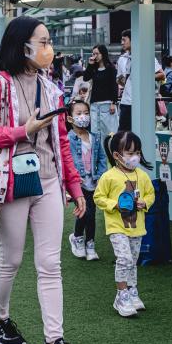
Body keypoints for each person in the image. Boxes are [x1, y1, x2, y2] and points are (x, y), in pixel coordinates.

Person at [0, 15, 91, 344]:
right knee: (11, 259)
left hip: (49, 181)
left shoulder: (51, 87)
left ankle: (54, 342)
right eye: (43, 42)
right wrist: (22, 130)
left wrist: (74, 186)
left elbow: (60, 142)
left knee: (50, 264)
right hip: (12, 181)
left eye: (48, 41)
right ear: (22, 46)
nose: (49, 48)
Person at [95, 130, 156, 317]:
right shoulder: (109, 176)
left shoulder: (142, 176)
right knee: (124, 259)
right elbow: (98, 197)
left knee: (133, 261)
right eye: (130, 153)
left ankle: (132, 291)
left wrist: (145, 203)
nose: (135, 157)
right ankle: (121, 295)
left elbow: (150, 194)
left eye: (137, 152)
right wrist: (115, 205)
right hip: (117, 227)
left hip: (137, 227)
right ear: (117, 155)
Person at [66, 99, 107, 262]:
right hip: (78, 184)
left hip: (93, 183)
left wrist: (101, 175)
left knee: (91, 214)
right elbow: (67, 161)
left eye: (86, 113)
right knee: (84, 212)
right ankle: (77, 238)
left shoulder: (94, 138)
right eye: (79, 113)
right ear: (70, 118)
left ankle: (90, 243)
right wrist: (73, 177)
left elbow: (102, 157)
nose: (83, 116)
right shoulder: (68, 139)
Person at [115, 30, 164, 131]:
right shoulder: (122, 59)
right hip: (126, 102)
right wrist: (121, 80)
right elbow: (121, 81)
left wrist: (144, 77)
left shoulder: (145, 56)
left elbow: (161, 75)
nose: (122, 43)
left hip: (142, 102)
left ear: (133, 40)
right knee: (124, 132)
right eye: (121, 40)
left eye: (124, 40)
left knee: (141, 131)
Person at [83, 44, 118, 138]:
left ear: (103, 54)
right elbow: (85, 78)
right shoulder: (94, 68)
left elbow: (114, 85)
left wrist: (113, 102)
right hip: (95, 104)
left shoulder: (110, 68)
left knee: (109, 131)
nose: (94, 56)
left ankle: (108, 146)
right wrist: (90, 65)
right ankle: (97, 147)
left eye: (97, 54)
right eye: (93, 54)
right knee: (95, 131)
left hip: (107, 104)